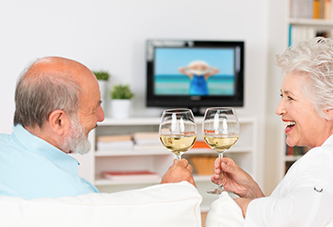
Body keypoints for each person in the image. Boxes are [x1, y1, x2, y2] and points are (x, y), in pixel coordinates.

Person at [0, 56, 195, 199]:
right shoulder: (75, 197)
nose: (101, 117)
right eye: (94, 107)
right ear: (58, 121)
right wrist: (169, 194)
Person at [211, 37, 333, 226]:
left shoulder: (324, 160)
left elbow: (287, 219)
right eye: (281, 96)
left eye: (290, 98)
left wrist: (235, 207)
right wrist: (253, 193)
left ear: (328, 108)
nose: (279, 109)